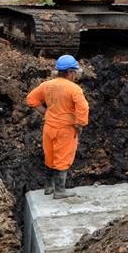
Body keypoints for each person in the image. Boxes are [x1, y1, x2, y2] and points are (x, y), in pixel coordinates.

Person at [25, 55, 90, 200]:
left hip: (49, 127)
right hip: (65, 129)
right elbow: (83, 107)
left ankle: (49, 187)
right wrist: (80, 124)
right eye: (75, 73)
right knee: (63, 157)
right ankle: (60, 190)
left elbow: (31, 99)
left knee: (50, 155)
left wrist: (45, 112)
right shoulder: (74, 89)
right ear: (71, 72)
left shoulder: (46, 85)